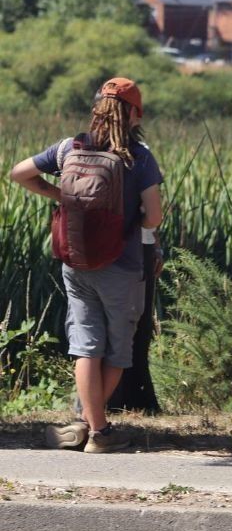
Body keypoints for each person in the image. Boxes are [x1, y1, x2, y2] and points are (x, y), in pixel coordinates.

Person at [9, 78, 164, 453]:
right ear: (132, 113)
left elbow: (18, 172)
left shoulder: (68, 148)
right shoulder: (138, 157)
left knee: (85, 344)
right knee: (118, 349)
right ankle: (98, 431)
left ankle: (88, 423)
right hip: (122, 265)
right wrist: (136, 222)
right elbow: (153, 218)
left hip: (75, 261)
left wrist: (56, 193)